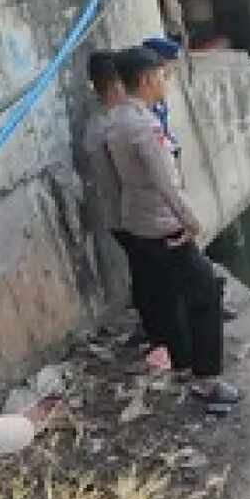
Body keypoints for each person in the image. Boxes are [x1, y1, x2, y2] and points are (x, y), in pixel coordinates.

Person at [107, 46, 239, 413]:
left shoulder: (115, 120)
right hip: (164, 225)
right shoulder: (145, 128)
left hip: (138, 222)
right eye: (162, 76)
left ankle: (182, 364)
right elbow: (166, 183)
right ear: (147, 79)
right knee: (205, 294)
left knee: (167, 295)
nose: (165, 82)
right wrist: (191, 221)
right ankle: (207, 379)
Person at [83, 50, 165, 354]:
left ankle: (156, 330)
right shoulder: (111, 127)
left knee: (146, 273)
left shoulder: (101, 125)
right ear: (116, 85)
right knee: (152, 275)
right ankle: (160, 332)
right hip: (129, 216)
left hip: (122, 215)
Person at [141, 35, 182, 159]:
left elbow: (163, 126)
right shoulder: (145, 95)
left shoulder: (160, 94)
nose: (172, 70)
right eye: (170, 64)